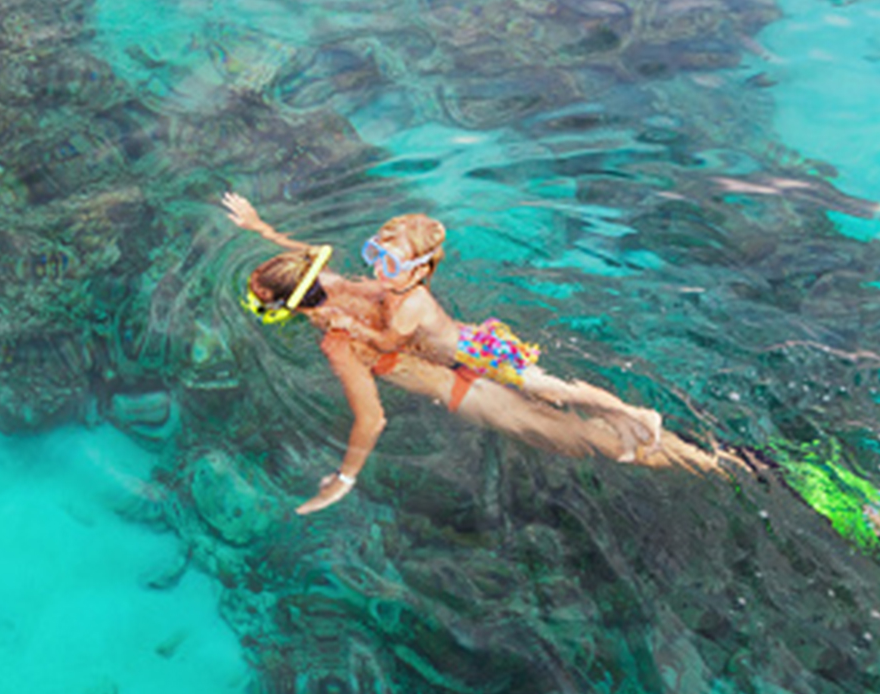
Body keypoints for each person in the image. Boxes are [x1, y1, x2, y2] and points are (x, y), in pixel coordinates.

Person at [223, 193, 728, 513]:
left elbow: (372, 420)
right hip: (474, 353)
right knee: (560, 395)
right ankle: (691, 446)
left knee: (594, 441)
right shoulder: (343, 282)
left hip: (468, 391)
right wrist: (261, 227)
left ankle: (721, 464)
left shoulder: (338, 342)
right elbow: (302, 253)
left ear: (288, 308)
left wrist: (345, 478)